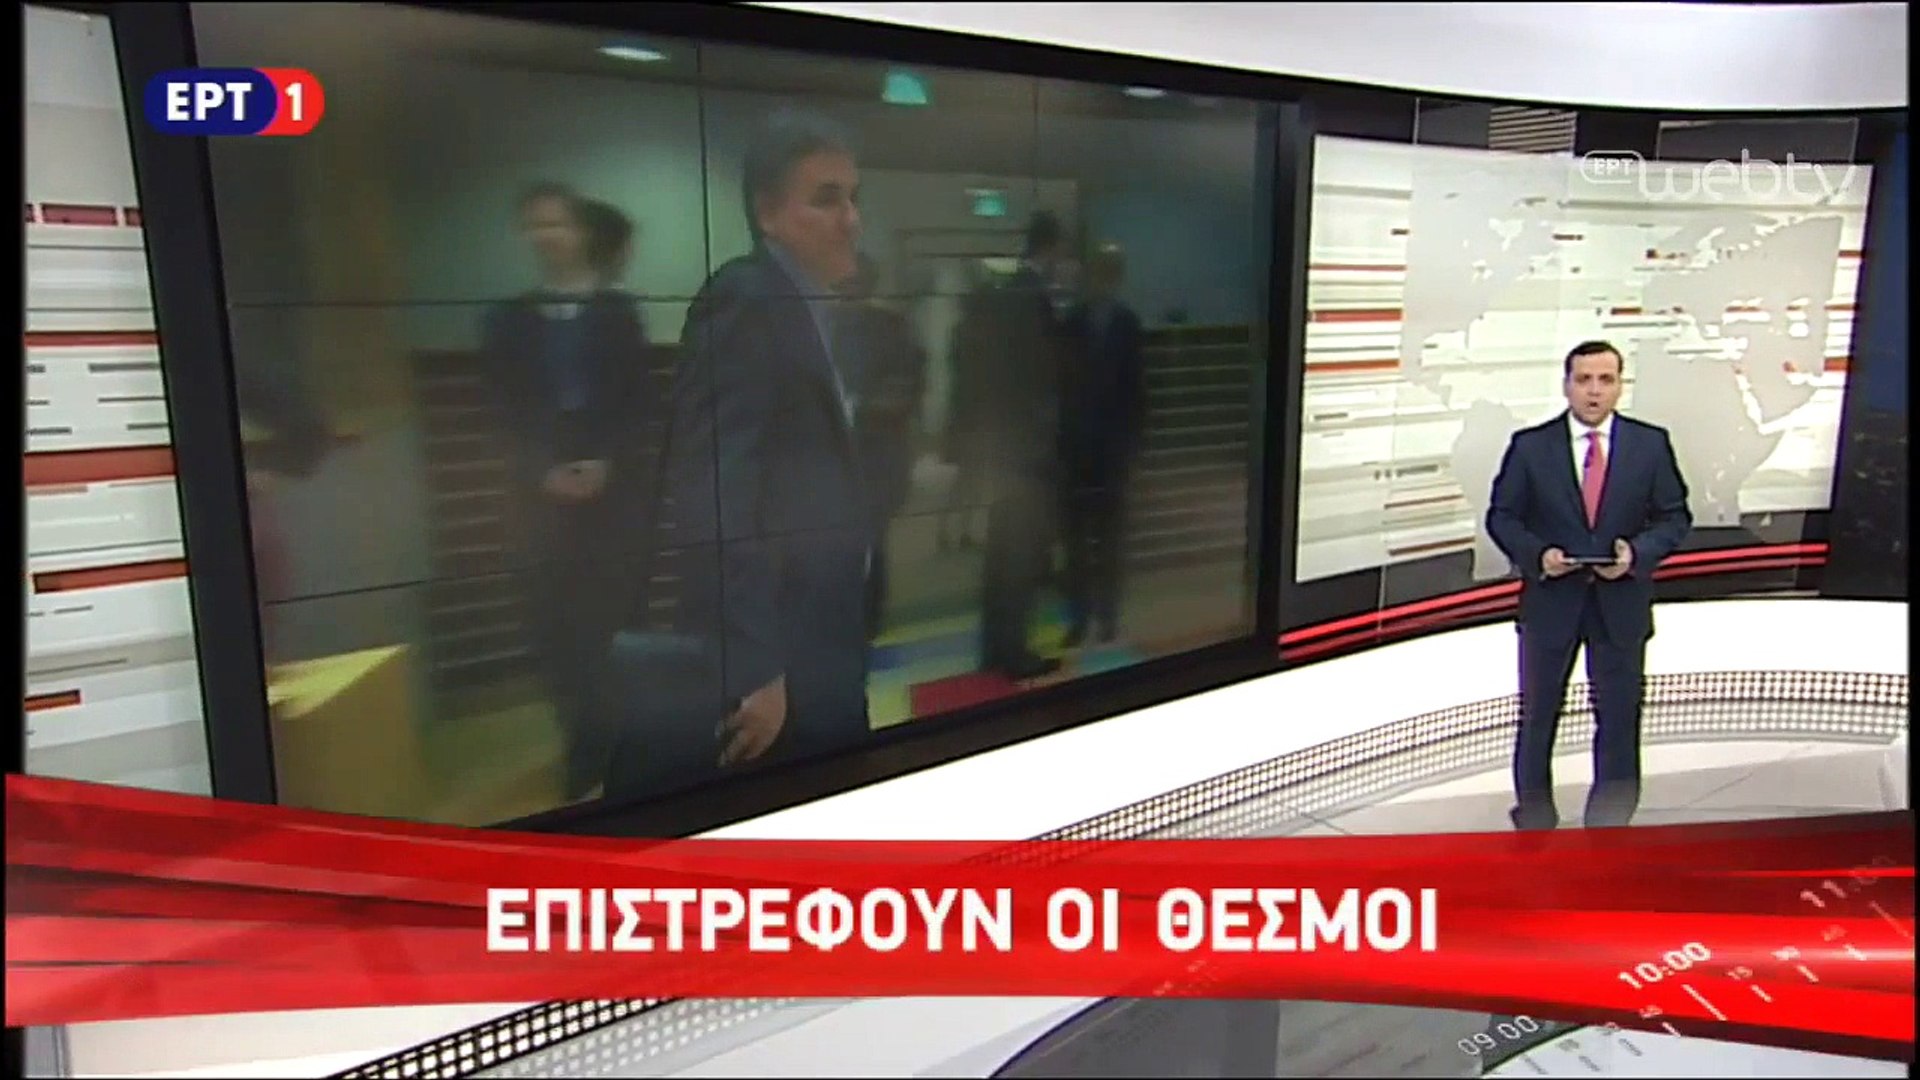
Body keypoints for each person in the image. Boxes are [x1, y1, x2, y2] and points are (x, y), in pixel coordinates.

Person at [661, 109, 872, 772]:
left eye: (853, 198)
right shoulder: (746, 299)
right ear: (768, 213)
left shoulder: (806, 307)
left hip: (820, 632)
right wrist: (755, 666)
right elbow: (715, 490)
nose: (851, 219)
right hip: (780, 653)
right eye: (826, 199)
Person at [478, 184, 655, 803]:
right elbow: (499, 412)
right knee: (556, 632)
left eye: (558, 223)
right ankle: (583, 751)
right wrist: (540, 472)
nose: (548, 235)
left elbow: (640, 405)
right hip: (540, 507)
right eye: (536, 225)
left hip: (616, 499)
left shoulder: (619, 315)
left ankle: (618, 751)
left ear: (581, 231)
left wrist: (608, 463)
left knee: (618, 626)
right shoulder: (506, 321)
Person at [1486, 340, 1693, 830]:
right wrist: (1539, 556)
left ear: (1620, 386)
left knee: (1619, 716)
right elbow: (1502, 516)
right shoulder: (1531, 446)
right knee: (1539, 715)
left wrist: (1635, 554)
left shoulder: (1650, 444)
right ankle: (1535, 817)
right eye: (1584, 380)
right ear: (1566, 386)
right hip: (1551, 603)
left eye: (1605, 380)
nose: (1594, 391)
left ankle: (1610, 825)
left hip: (1620, 604)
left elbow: (1674, 517)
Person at [974, 211, 1073, 681]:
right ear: (1052, 247)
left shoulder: (1004, 293)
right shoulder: (1034, 297)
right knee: (1022, 552)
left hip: (1001, 441)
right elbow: (1041, 372)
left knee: (1000, 552)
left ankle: (994, 647)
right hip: (1027, 445)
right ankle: (1014, 651)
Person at [1057, 242, 1146, 647]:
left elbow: (1137, 391)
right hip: (1077, 447)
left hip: (1110, 449)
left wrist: (1132, 447)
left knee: (1108, 540)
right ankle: (1079, 618)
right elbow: (1061, 384)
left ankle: (1107, 616)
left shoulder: (1127, 324)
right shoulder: (1072, 323)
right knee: (1077, 541)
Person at [840, 253, 929, 639]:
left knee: (871, 540)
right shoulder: (823, 327)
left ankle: (868, 616)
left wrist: (859, 406)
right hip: (841, 460)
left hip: (877, 456)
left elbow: (907, 390)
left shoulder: (891, 329)